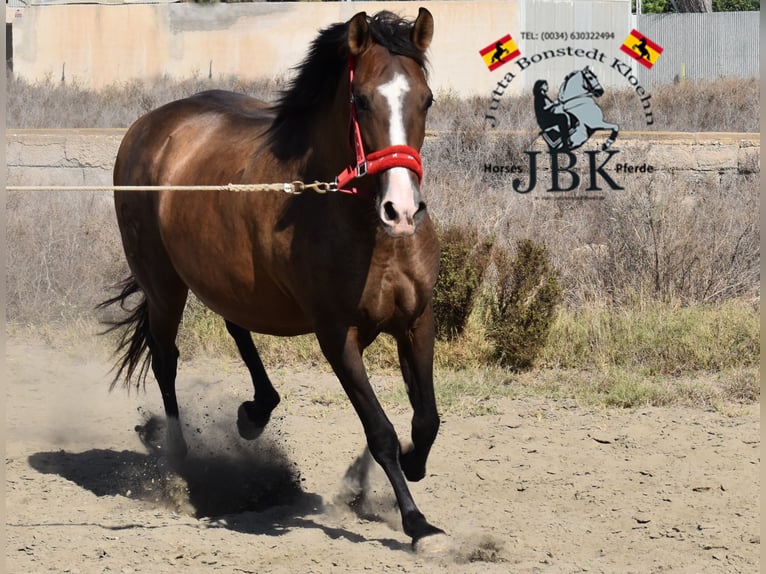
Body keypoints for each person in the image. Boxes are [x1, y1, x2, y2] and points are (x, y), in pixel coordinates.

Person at [533, 80, 571, 150]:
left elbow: (550, 107)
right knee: (562, 118)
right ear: (540, 87)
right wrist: (553, 104)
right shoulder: (539, 96)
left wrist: (557, 104)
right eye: (545, 85)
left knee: (563, 116)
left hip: (547, 117)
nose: (547, 86)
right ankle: (565, 140)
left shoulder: (544, 96)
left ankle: (564, 137)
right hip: (544, 119)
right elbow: (543, 108)